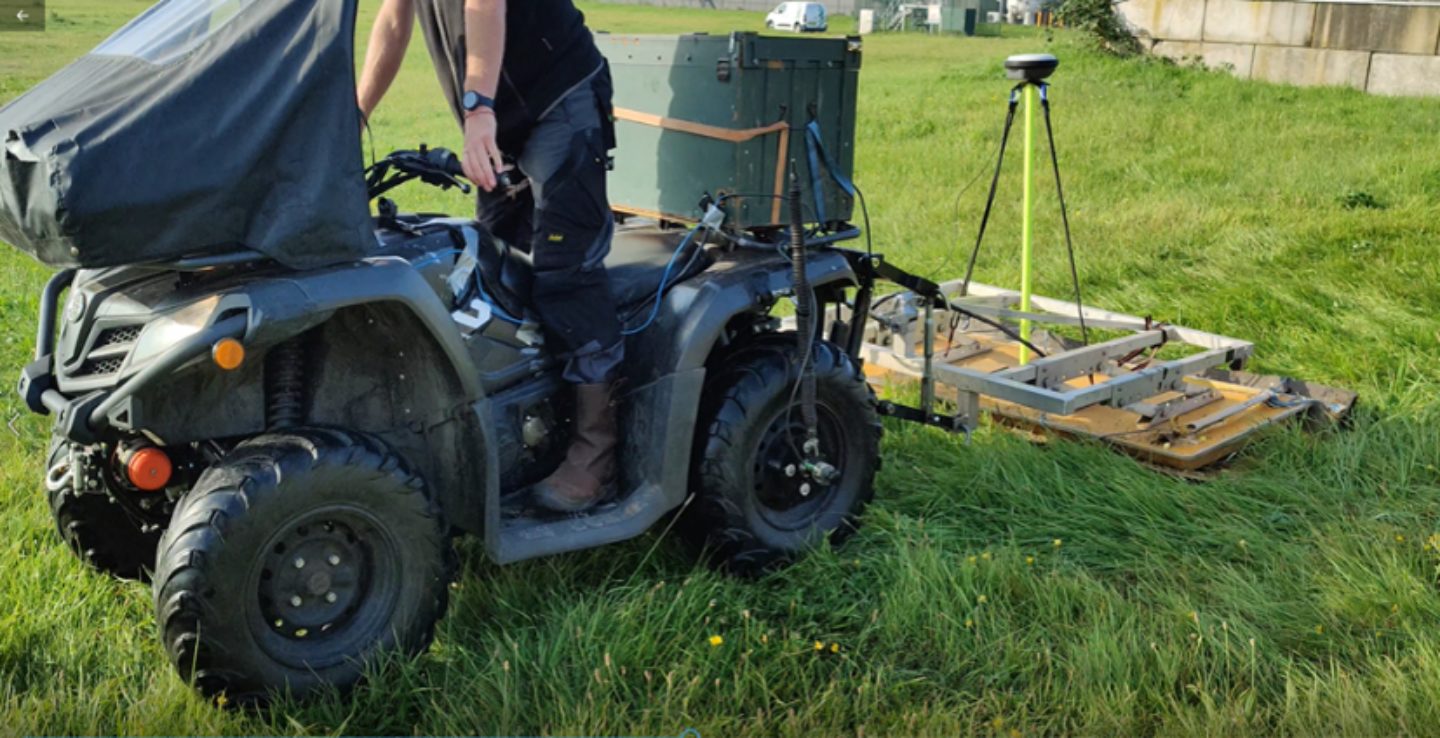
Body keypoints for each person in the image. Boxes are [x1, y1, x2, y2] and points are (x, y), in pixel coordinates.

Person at [358, 0, 623, 514]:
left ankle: (598, 452)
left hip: (557, 97)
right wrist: (354, 113)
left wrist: (478, 110)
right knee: (493, 269)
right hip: (501, 112)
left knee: (565, 271)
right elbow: (393, 18)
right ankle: (531, 433)